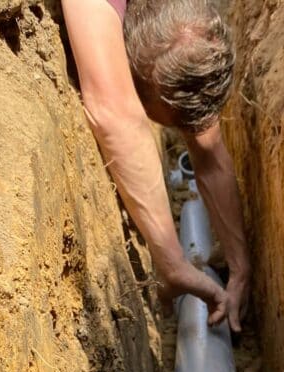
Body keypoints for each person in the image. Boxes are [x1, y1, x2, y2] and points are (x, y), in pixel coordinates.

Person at [61, 0, 250, 331]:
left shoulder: (190, 29)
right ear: (131, 68)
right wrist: (172, 262)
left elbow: (208, 149)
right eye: (165, 121)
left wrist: (240, 269)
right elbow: (114, 112)